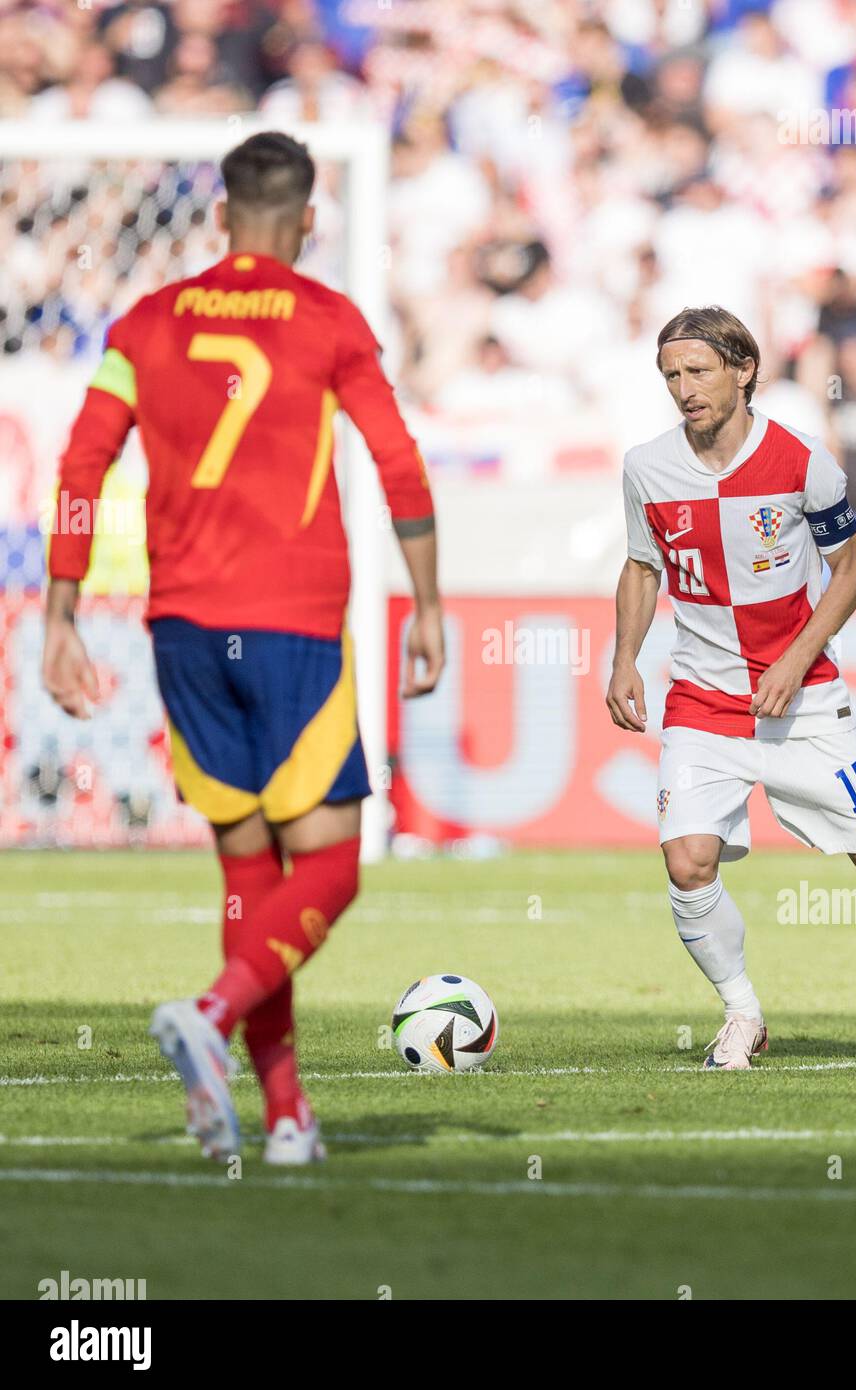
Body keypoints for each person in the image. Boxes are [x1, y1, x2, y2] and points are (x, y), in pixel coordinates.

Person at [42, 132, 445, 1161]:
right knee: (334, 868)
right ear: (310, 219)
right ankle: (212, 1014)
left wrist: (59, 613)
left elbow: (83, 467)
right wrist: (429, 603)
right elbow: (397, 463)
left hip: (182, 627)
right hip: (293, 621)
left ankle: (284, 1120)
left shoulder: (145, 321)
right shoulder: (328, 320)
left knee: (248, 875)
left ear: (219, 215)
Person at [606, 304, 856, 1070]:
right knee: (687, 861)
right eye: (670, 376)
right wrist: (624, 658)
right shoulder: (646, 467)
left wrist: (795, 658)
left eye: (697, 371)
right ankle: (742, 1013)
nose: (683, 389)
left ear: (743, 369)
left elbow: (850, 570)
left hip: (805, 700)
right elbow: (641, 566)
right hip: (703, 699)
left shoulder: (802, 461)